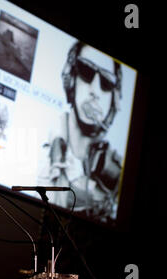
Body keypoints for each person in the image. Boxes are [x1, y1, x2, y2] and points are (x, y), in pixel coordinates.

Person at [38, 41, 123, 223]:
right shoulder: (41, 144)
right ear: (72, 78)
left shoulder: (115, 170)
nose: (95, 91)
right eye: (86, 72)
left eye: (107, 83)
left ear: (113, 98)